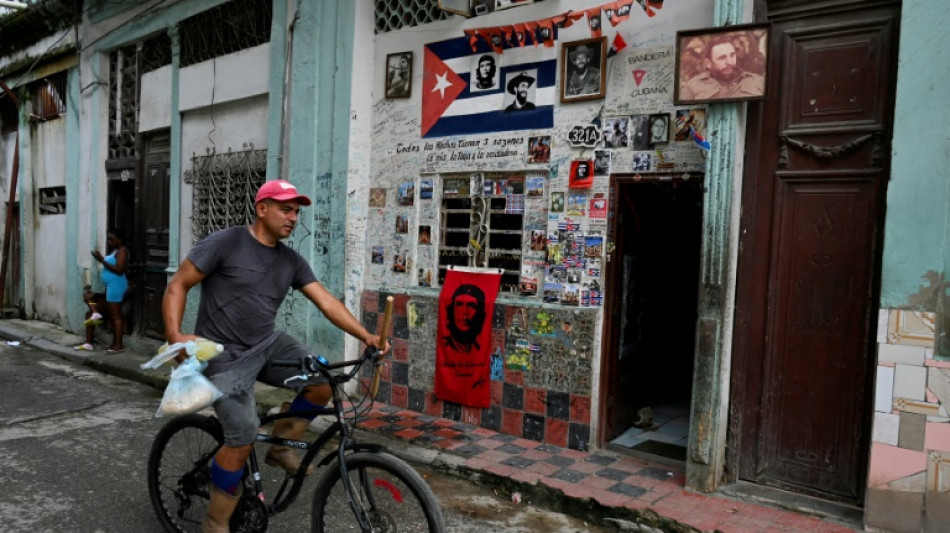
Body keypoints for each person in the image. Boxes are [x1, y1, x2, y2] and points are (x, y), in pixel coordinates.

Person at [162, 180, 387, 533]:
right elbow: (178, 284)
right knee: (242, 437)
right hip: (222, 355)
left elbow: (326, 301)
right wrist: (175, 336)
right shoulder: (226, 242)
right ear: (262, 208)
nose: (293, 217)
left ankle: (281, 447)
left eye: (296, 211)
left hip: (266, 344)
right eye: (285, 209)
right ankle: (215, 522)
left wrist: (366, 336)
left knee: (323, 381)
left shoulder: (290, 261)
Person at [680, 35, 764, 100]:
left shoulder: (758, 81)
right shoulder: (693, 86)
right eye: (722, 58)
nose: (729, 62)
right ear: (708, 63)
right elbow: (685, 116)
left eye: (732, 55)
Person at [88, 229, 129, 353]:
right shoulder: (115, 251)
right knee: (90, 298)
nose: (110, 242)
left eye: (112, 240)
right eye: (109, 240)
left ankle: (118, 345)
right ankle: (114, 343)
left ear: (120, 239)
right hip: (111, 286)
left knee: (116, 316)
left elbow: (119, 270)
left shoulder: (122, 251)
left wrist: (101, 260)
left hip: (116, 286)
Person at [442, 284, 486, 354]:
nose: (465, 312)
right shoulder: (444, 344)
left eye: (471, 306)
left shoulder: (482, 348)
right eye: (459, 305)